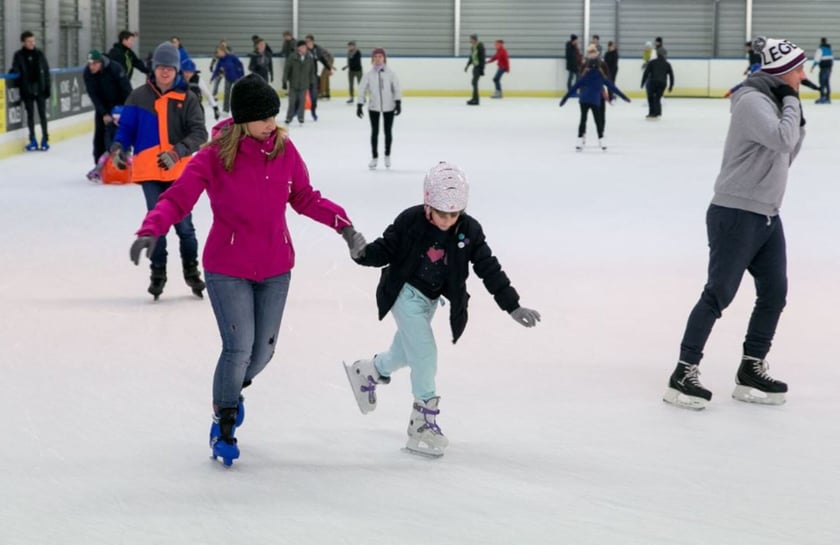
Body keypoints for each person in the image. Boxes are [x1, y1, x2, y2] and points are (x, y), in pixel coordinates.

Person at [129, 73, 359, 467]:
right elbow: (178, 197)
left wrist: (345, 226)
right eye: (263, 117)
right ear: (241, 119)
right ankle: (224, 423)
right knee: (238, 349)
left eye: (273, 114)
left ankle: (231, 393)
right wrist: (152, 229)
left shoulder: (285, 149)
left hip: (275, 266)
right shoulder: (215, 154)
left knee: (263, 352)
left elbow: (304, 196)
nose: (272, 123)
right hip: (228, 267)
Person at [342, 162, 541, 457]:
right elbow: (384, 249)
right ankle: (422, 421)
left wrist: (511, 305)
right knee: (424, 353)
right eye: (441, 213)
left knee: (405, 353)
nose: (448, 220)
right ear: (427, 204)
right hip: (403, 294)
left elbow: (488, 267)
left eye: (454, 214)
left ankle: (369, 371)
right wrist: (362, 253)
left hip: (431, 300)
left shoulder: (470, 230)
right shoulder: (410, 221)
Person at [664, 36, 807, 411]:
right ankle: (683, 372)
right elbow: (781, 139)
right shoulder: (751, 101)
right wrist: (791, 103)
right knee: (719, 294)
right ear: (781, 71)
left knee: (774, 294)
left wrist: (792, 111)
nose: (803, 76)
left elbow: (789, 151)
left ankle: (750, 368)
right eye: (798, 69)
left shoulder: (773, 101)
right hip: (735, 213)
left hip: (767, 214)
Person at [111, 42, 208, 299]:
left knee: (185, 227)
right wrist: (119, 148)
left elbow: (200, 133)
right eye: (160, 67)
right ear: (153, 68)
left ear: (177, 69)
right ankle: (158, 273)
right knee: (157, 224)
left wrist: (177, 151)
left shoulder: (187, 98)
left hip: (180, 174)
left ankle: (191, 271)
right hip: (150, 173)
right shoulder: (138, 96)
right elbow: (126, 130)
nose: (165, 72)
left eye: (170, 67)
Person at [560, 49, 631, 152]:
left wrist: (564, 99)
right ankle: (602, 142)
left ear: (588, 65)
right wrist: (624, 97)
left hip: (583, 100)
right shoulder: (601, 77)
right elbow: (613, 87)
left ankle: (579, 142)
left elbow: (574, 88)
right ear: (598, 65)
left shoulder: (584, 76)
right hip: (594, 101)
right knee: (598, 121)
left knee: (583, 120)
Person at [83, 49, 132, 181]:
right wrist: (103, 113)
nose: (91, 67)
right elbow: (93, 95)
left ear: (100, 63)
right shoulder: (88, 73)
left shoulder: (115, 68)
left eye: (94, 64)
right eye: (89, 64)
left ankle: (129, 166)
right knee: (100, 135)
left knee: (124, 136)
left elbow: (126, 89)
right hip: (103, 107)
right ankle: (99, 167)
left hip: (121, 105)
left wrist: (127, 110)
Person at [356, 48, 401, 170]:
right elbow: (362, 89)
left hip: (389, 107)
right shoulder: (368, 75)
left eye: (380, 56)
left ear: (384, 58)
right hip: (374, 107)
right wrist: (360, 104)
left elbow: (396, 87)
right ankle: (374, 157)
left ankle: (387, 155)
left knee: (388, 132)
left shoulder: (390, 73)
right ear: (372, 59)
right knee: (374, 132)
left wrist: (398, 102)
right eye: (375, 57)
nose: (378, 59)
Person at [9, 31, 51, 151]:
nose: (32, 43)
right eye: (29, 41)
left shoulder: (39, 54)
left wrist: (47, 88)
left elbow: (46, 71)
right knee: (30, 116)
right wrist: (14, 74)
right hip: (27, 90)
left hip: (40, 89)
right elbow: (15, 69)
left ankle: (45, 139)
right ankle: (32, 139)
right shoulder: (18, 55)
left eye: (33, 41)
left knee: (43, 115)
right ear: (23, 42)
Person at [282, 40, 316, 125]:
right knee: (292, 102)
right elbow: (287, 70)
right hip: (294, 84)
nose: (303, 49)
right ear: (298, 48)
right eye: (301, 47)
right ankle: (289, 118)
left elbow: (312, 71)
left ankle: (301, 118)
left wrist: (312, 82)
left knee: (302, 102)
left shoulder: (309, 57)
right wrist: (284, 81)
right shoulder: (292, 57)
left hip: (304, 84)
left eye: (304, 47)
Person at [210, 46, 245, 116]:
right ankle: (225, 111)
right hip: (228, 78)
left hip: (237, 78)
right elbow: (216, 70)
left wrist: (241, 75)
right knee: (227, 94)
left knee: (239, 93)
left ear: (223, 51)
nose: (217, 53)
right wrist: (212, 78)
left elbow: (240, 64)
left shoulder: (232, 57)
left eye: (218, 52)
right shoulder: (220, 60)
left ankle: (242, 109)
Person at [641, 48, 674, 119]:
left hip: (653, 82)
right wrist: (671, 86)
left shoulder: (652, 62)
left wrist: (642, 83)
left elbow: (646, 73)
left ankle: (652, 113)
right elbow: (671, 76)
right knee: (657, 98)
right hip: (662, 84)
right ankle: (658, 112)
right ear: (664, 55)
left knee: (650, 97)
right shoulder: (667, 64)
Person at [464, 34, 486, 105]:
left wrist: (482, 68)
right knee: (474, 82)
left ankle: (476, 100)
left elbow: (482, 58)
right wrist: (467, 65)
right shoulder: (473, 47)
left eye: (471, 39)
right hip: (475, 66)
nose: (470, 40)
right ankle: (474, 99)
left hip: (478, 67)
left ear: (474, 39)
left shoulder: (480, 46)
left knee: (474, 82)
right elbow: (472, 57)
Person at [811, 37, 833, 104]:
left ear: (821, 42)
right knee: (827, 83)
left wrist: (813, 67)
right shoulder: (829, 49)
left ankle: (823, 97)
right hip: (829, 67)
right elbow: (832, 59)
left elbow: (817, 59)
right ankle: (828, 98)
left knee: (822, 83)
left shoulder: (820, 49)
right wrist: (831, 69)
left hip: (823, 68)